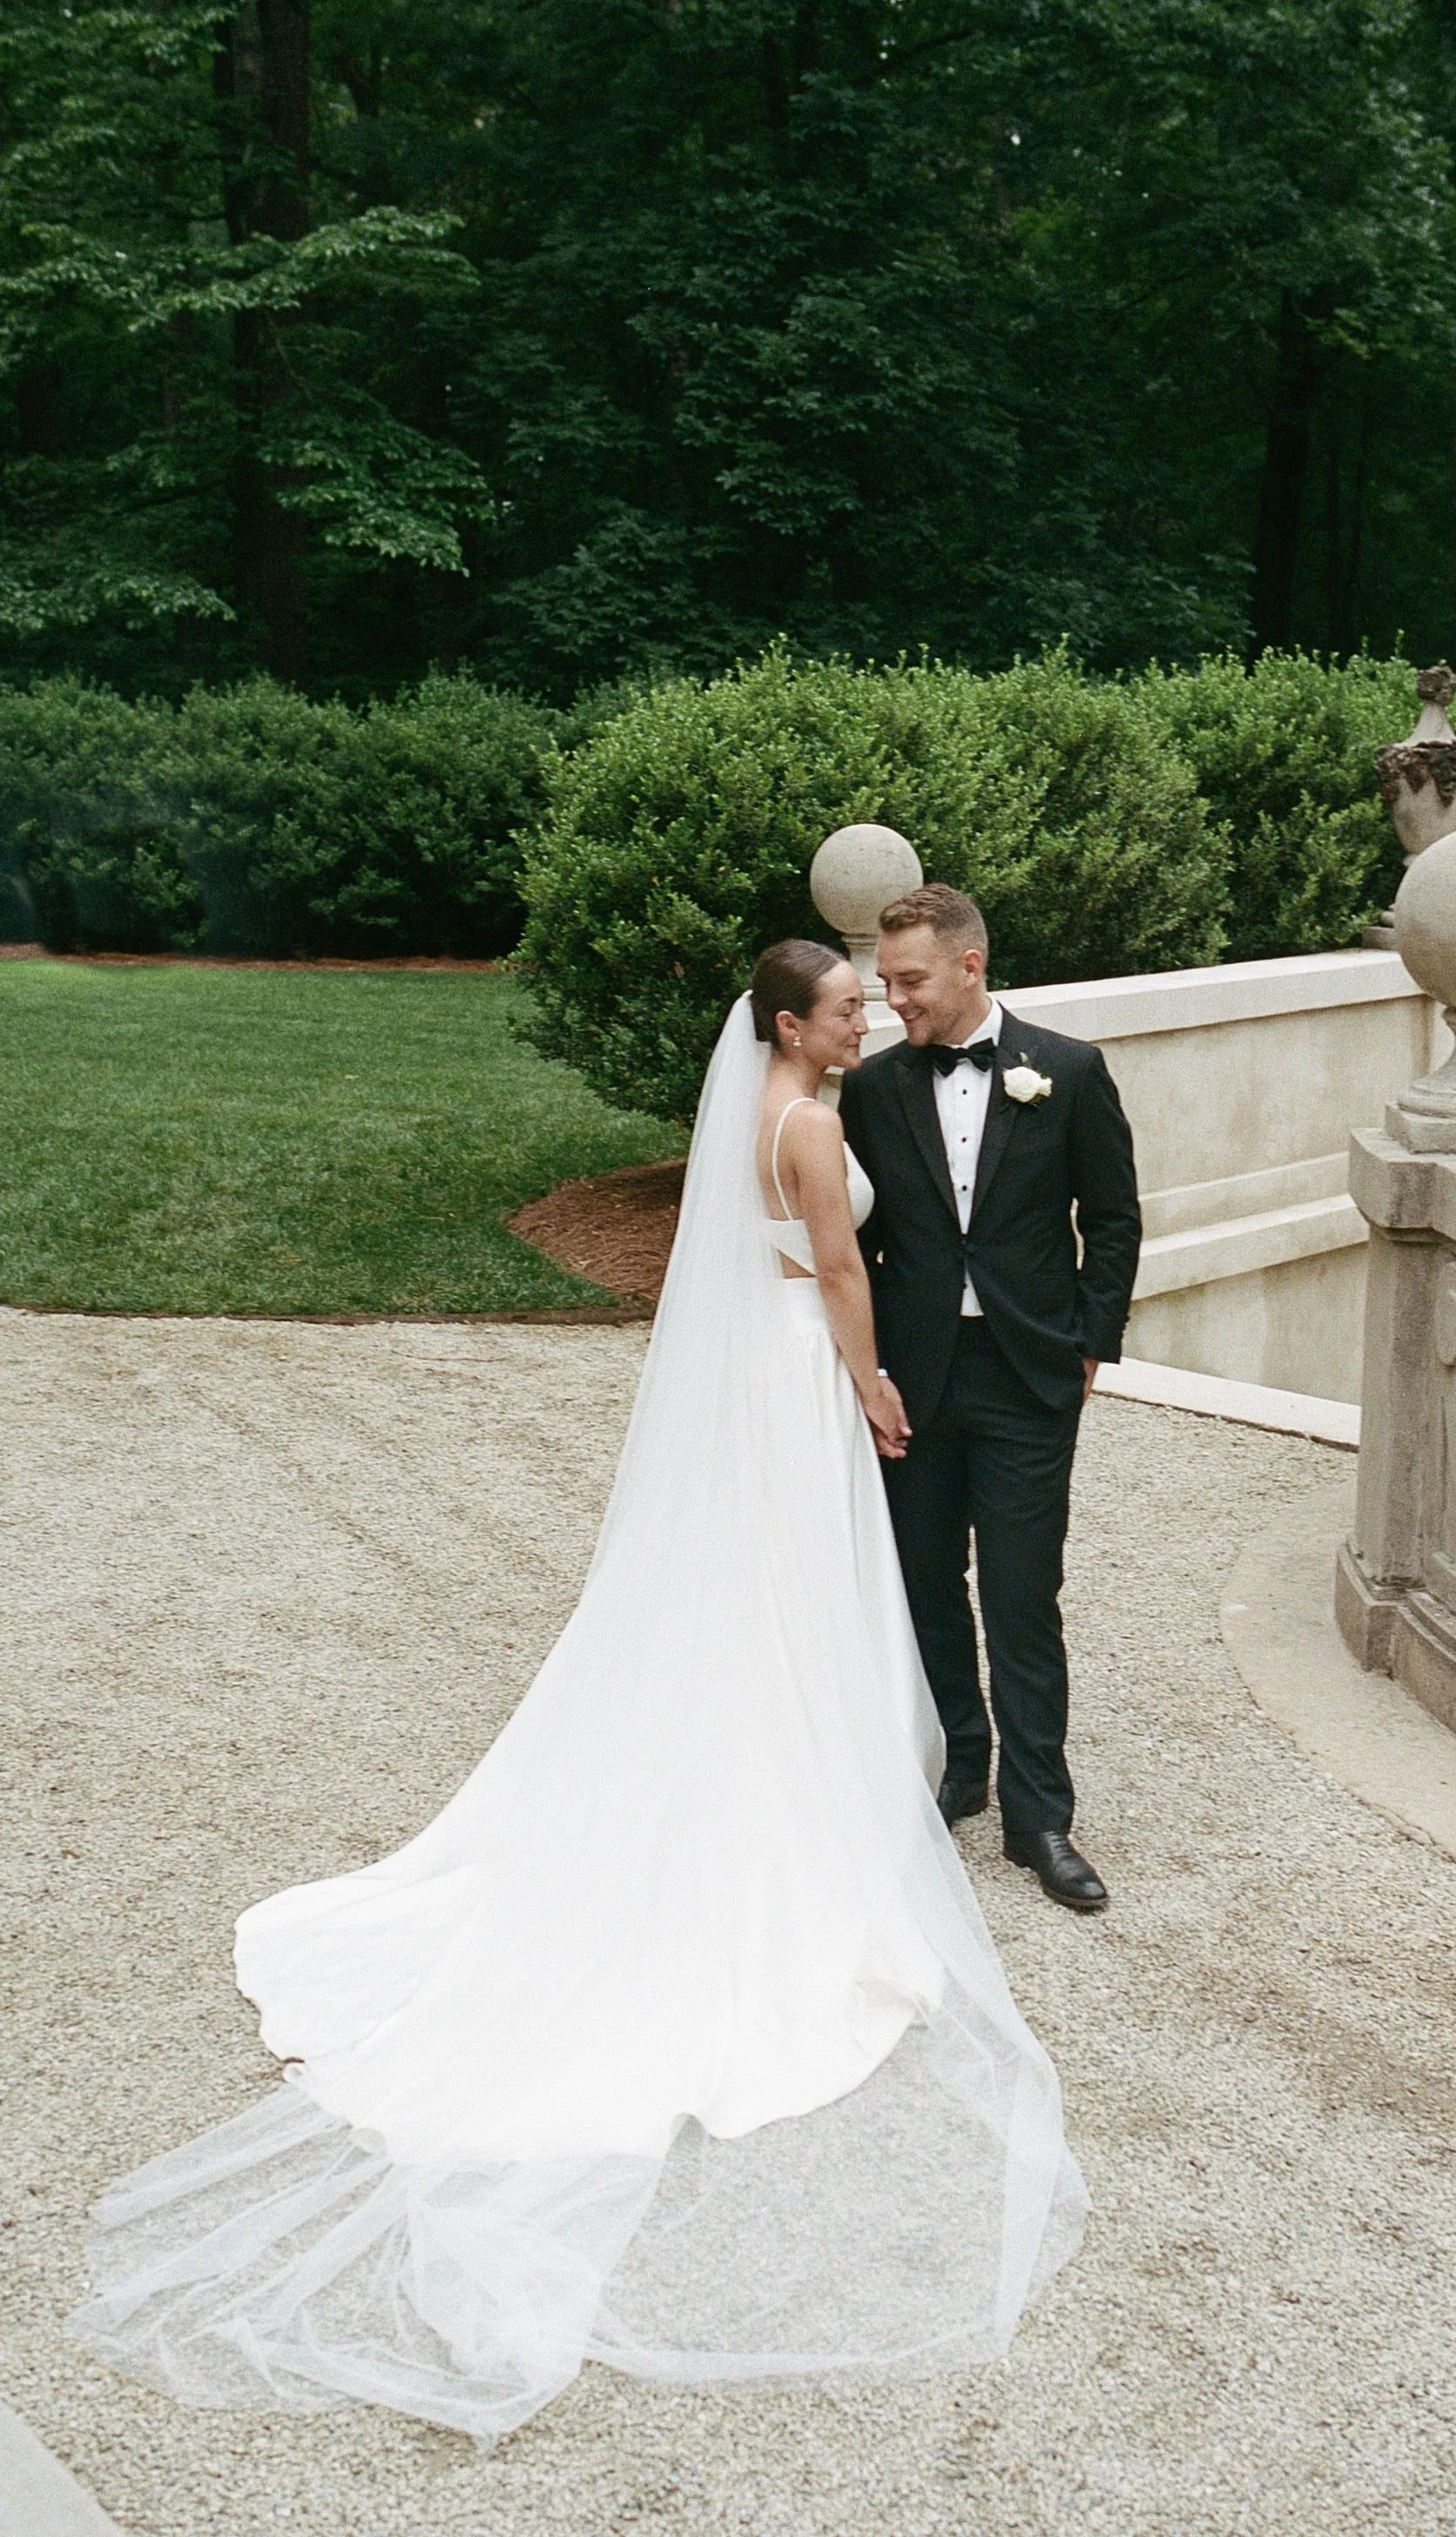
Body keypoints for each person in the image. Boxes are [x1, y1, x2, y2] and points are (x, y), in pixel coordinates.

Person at [69, 944, 1084, 2439]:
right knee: (801, 1595)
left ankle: (791, 1764)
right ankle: (799, 1803)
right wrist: (873, 1381)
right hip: (810, 1366)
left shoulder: (780, 1106)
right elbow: (847, 1263)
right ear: (790, 1028)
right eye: (845, 1005)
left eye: (879, 998)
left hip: (765, 1370)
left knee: (761, 1598)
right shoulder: (809, 1124)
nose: (868, 1015)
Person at [838, 886, 1142, 1913]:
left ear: (970, 966)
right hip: (915, 1378)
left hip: (1027, 1377)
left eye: (911, 982)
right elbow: (857, 1242)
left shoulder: (1068, 1071)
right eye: (885, 985)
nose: (895, 1004)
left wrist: (1090, 1345)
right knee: (926, 1582)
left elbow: (1112, 1218)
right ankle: (961, 1761)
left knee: (1021, 1596)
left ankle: (1040, 1817)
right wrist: (866, 1366)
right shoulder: (875, 1090)